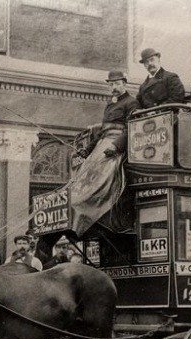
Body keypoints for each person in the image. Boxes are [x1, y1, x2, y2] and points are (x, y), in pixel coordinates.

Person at [70, 70, 140, 236]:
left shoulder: (132, 103)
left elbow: (132, 127)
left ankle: (97, 211)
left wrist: (116, 147)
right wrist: (87, 150)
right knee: (86, 174)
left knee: (106, 176)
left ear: (124, 83)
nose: (114, 87)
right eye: (111, 84)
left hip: (117, 145)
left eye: (117, 83)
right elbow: (103, 132)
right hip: (103, 143)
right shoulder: (110, 104)